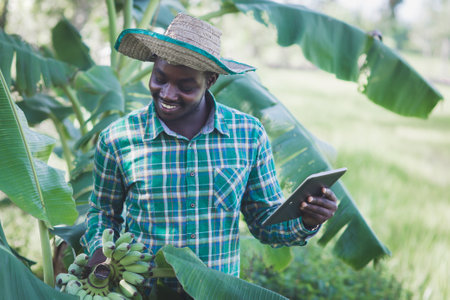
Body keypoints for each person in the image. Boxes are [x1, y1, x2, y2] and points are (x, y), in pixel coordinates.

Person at [80, 13, 338, 293]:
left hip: (217, 292)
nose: (167, 93)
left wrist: (307, 221)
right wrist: (99, 251)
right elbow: (102, 212)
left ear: (211, 80)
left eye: (185, 86)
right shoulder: (119, 138)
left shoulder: (248, 135)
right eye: (160, 78)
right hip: (142, 289)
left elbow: (265, 224)